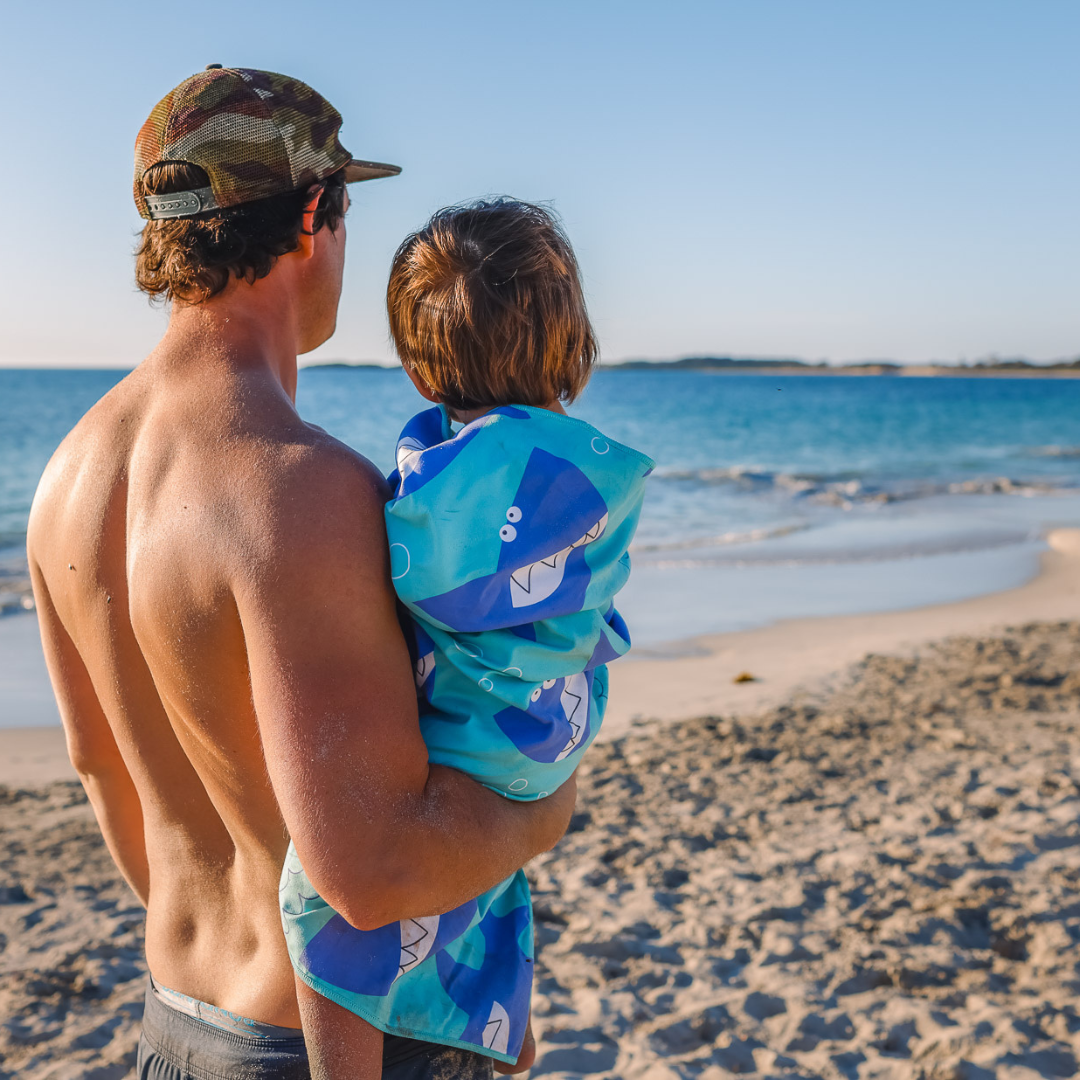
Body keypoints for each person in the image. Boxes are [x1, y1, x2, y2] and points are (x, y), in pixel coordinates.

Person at [26, 67, 576, 1080]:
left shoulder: (68, 477)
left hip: (175, 1027)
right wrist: (545, 812)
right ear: (316, 210)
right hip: (311, 1049)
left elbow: (100, 766)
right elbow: (372, 873)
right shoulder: (304, 492)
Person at [282, 200, 653, 1078]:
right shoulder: (585, 472)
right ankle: (505, 1019)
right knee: (486, 869)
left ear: (417, 368)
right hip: (547, 732)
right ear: (575, 344)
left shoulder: (444, 494)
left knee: (316, 898)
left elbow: (415, 569)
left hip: (486, 734)